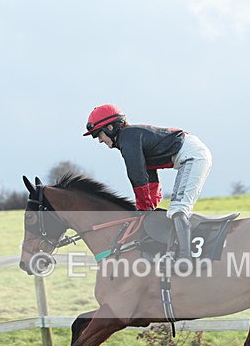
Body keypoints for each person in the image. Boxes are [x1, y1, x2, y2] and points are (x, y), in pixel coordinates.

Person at [83, 104, 212, 259]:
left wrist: (144, 208)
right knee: (174, 209)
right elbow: (149, 177)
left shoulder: (127, 139)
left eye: (98, 134)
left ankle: (185, 258)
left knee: (178, 208)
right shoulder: (130, 138)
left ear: (110, 127)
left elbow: (137, 177)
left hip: (193, 156)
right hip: (190, 154)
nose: (99, 140)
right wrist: (149, 207)